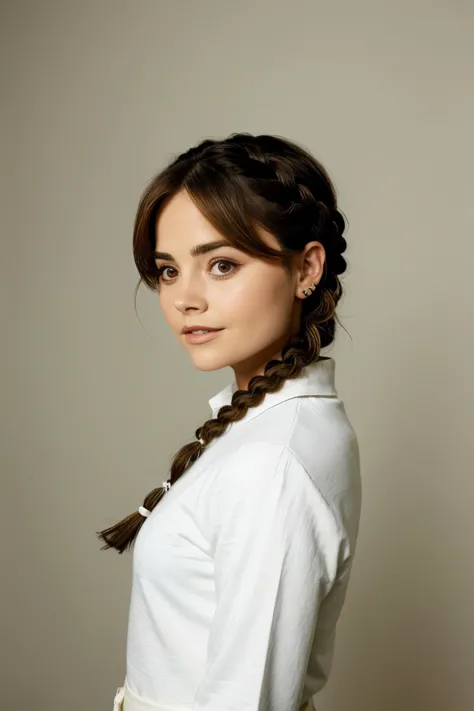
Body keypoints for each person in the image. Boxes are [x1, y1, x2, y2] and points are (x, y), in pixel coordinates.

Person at [97, 132, 362, 711]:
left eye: (221, 264)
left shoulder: (271, 463)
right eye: (168, 271)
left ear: (306, 268)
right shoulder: (267, 429)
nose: (185, 298)